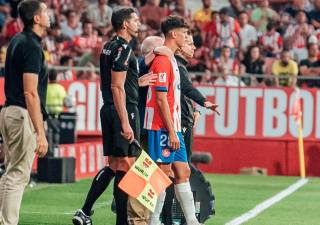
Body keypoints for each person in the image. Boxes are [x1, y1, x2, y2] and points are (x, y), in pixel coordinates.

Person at [72, 7, 156, 225]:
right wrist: (126, 122)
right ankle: (121, 221)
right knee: (126, 166)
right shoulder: (125, 49)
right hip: (123, 110)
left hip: (108, 108)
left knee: (114, 165)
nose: (139, 23)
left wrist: (136, 83)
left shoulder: (108, 47)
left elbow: (116, 84)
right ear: (125, 25)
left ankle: (85, 211)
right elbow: (117, 87)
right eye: (135, 20)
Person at [144, 15, 202, 225]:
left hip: (174, 125)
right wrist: (170, 130)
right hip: (161, 126)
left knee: (182, 171)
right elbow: (160, 99)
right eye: (185, 33)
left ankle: (192, 221)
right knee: (162, 173)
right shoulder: (162, 60)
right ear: (173, 34)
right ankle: (152, 220)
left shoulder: (171, 59)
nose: (187, 37)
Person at [0, 1, 50, 225]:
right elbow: (31, 93)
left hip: (10, 110)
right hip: (22, 114)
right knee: (18, 175)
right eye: (45, 12)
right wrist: (40, 132)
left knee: (11, 173)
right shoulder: (31, 45)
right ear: (37, 19)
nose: (49, 15)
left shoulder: (17, 40)